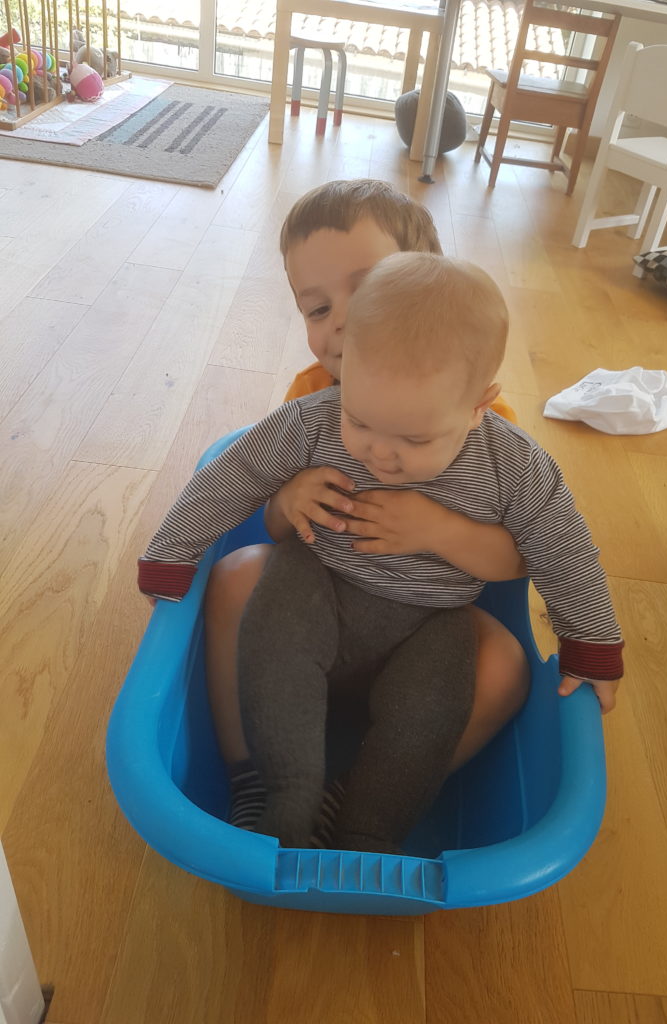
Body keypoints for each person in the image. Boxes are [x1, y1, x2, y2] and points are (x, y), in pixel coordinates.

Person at [139, 252, 624, 854]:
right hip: (319, 585)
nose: (379, 453)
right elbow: (235, 474)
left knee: (429, 713)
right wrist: (172, 552)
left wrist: (591, 645)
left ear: (479, 406)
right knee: (275, 634)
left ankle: (363, 820)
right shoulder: (314, 419)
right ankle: (272, 790)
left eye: (414, 438)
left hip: (428, 624)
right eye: (360, 421)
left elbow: (564, 548)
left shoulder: (514, 464)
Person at [203, 180, 534, 833]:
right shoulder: (309, 401)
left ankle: (363, 795)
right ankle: (254, 776)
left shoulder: (489, 431)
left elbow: (519, 559)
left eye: (370, 289)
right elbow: (271, 528)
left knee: (506, 668)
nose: (342, 322)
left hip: (423, 644)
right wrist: (288, 500)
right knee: (235, 574)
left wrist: (439, 529)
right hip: (304, 632)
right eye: (317, 308)